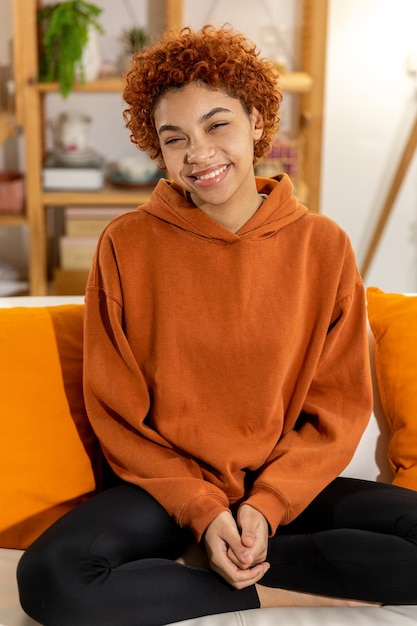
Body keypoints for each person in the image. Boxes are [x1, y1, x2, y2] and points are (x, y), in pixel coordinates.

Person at [17, 24, 417, 626]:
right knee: (51, 580)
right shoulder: (126, 244)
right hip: (167, 492)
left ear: (256, 120)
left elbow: (337, 407)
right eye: (173, 137)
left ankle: (234, 558)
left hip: (279, 490)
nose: (198, 153)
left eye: (217, 124)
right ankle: (254, 580)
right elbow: (116, 409)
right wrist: (203, 512)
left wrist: (265, 507)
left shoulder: (323, 245)